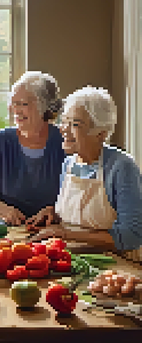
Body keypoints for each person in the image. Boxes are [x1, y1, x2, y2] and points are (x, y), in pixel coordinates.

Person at [30, 86, 142, 260]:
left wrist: (66, 234)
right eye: (64, 121)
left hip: (118, 266)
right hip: (75, 259)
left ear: (100, 134)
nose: (63, 129)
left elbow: (131, 236)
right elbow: (80, 217)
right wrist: (54, 213)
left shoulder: (122, 167)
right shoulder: (68, 164)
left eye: (75, 124)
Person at [0, 71, 66, 226]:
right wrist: (5, 211)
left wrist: (55, 211)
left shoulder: (65, 142)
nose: (15, 110)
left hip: (54, 231)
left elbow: (80, 197)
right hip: (9, 231)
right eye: (13, 103)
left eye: (23, 104)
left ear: (44, 107)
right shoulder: (1, 141)